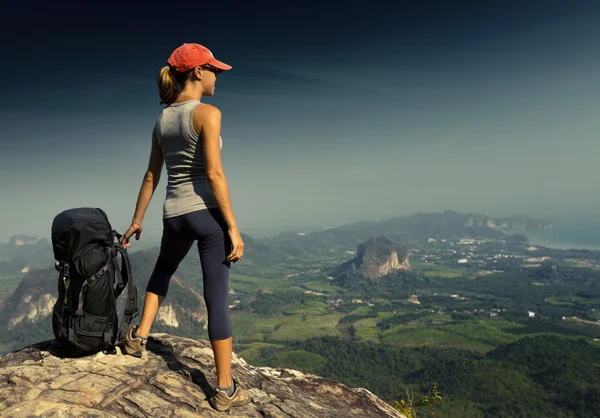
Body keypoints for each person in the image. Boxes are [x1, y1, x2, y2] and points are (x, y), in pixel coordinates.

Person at [118, 42, 250, 412]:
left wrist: (136, 220)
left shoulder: (161, 121)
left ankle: (138, 338)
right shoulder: (208, 113)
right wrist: (233, 228)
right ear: (197, 72)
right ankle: (224, 388)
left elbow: (150, 176)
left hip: (173, 214)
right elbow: (214, 172)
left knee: (163, 271)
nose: (217, 76)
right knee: (216, 297)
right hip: (207, 215)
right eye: (214, 70)